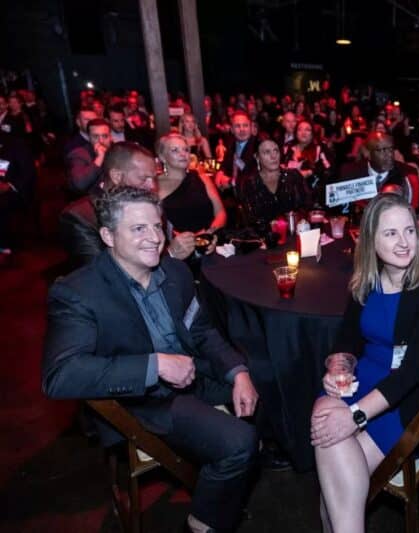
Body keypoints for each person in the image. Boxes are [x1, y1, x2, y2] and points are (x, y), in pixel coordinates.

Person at [43, 186, 259, 533]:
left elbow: (202, 331)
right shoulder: (78, 292)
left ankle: (223, 491)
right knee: (240, 443)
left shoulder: (175, 272)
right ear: (108, 236)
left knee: (266, 375)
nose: (155, 238)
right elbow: (60, 375)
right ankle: (201, 524)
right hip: (144, 400)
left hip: (191, 375)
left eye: (157, 226)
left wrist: (238, 373)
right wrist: (155, 364)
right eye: (139, 229)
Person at [311, 193, 419, 533]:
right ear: (371, 240)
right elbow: (347, 338)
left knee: (332, 470)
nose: (404, 242)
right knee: (325, 428)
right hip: (366, 379)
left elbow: (413, 374)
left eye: (409, 230)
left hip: (410, 401)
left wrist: (354, 415)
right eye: (391, 233)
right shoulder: (367, 280)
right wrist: (340, 366)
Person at [58, 142, 195, 270]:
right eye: (143, 178)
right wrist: (170, 254)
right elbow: (102, 274)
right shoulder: (80, 217)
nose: (152, 186)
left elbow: (167, 243)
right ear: (116, 176)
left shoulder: (148, 203)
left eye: (153, 178)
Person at [156, 133, 226, 241]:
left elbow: (221, 213)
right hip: (177, 247)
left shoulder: (202, 178)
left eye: (186, 150)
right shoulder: (154, 185)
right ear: (162, 157)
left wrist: (207, 234)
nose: (183, 154)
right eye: (175, 150)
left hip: (210, 241)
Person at [237, 139, 313, 227]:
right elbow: (250, 220)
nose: (273, 156)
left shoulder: (293, 176)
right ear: (257, 157)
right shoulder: (249, 184)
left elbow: (307, 207)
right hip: (263, 237)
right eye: (267, 152)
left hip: (295, 233)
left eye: (276, 151)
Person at [339, 132, 419, 209]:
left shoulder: (408, 174)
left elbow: (413, 211)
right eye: (382, 150)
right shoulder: (349, 173)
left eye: (391, 149)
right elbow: (342, 209)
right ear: (367, 153)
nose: (389, 154)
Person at [0, 130, 37, 263]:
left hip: (13, 191)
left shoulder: (14, 143)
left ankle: (4, 246)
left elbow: (28, 172)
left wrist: (9, 185)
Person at [281, 119, 333, 206]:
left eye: (307, 130)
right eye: (300, 129)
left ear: (312, 133)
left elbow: (328, 169)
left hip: (311, 195)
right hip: (287, 194)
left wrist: (311, 172)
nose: (303, 132)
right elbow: (278, 166)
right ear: (296, 133)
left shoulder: (319, 148)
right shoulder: (287, 148)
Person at [66, 118, 113, 194]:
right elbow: (80, 184)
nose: (101, 141)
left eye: (105, 136)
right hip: (91, 202)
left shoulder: (116, 150)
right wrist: (99, 158)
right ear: (89, 137)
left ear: (110, 137)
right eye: (95, 136)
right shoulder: (79, 154)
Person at [215, 111, 258, 193]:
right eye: (237, 126)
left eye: (245, 125)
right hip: (232, 193)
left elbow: (254, 177)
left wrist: (231, 182)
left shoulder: (258, 147)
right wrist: (220, 172)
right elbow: (225, 164)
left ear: (251, 127)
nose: (242, 129)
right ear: (232, 130)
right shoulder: (231, 143)